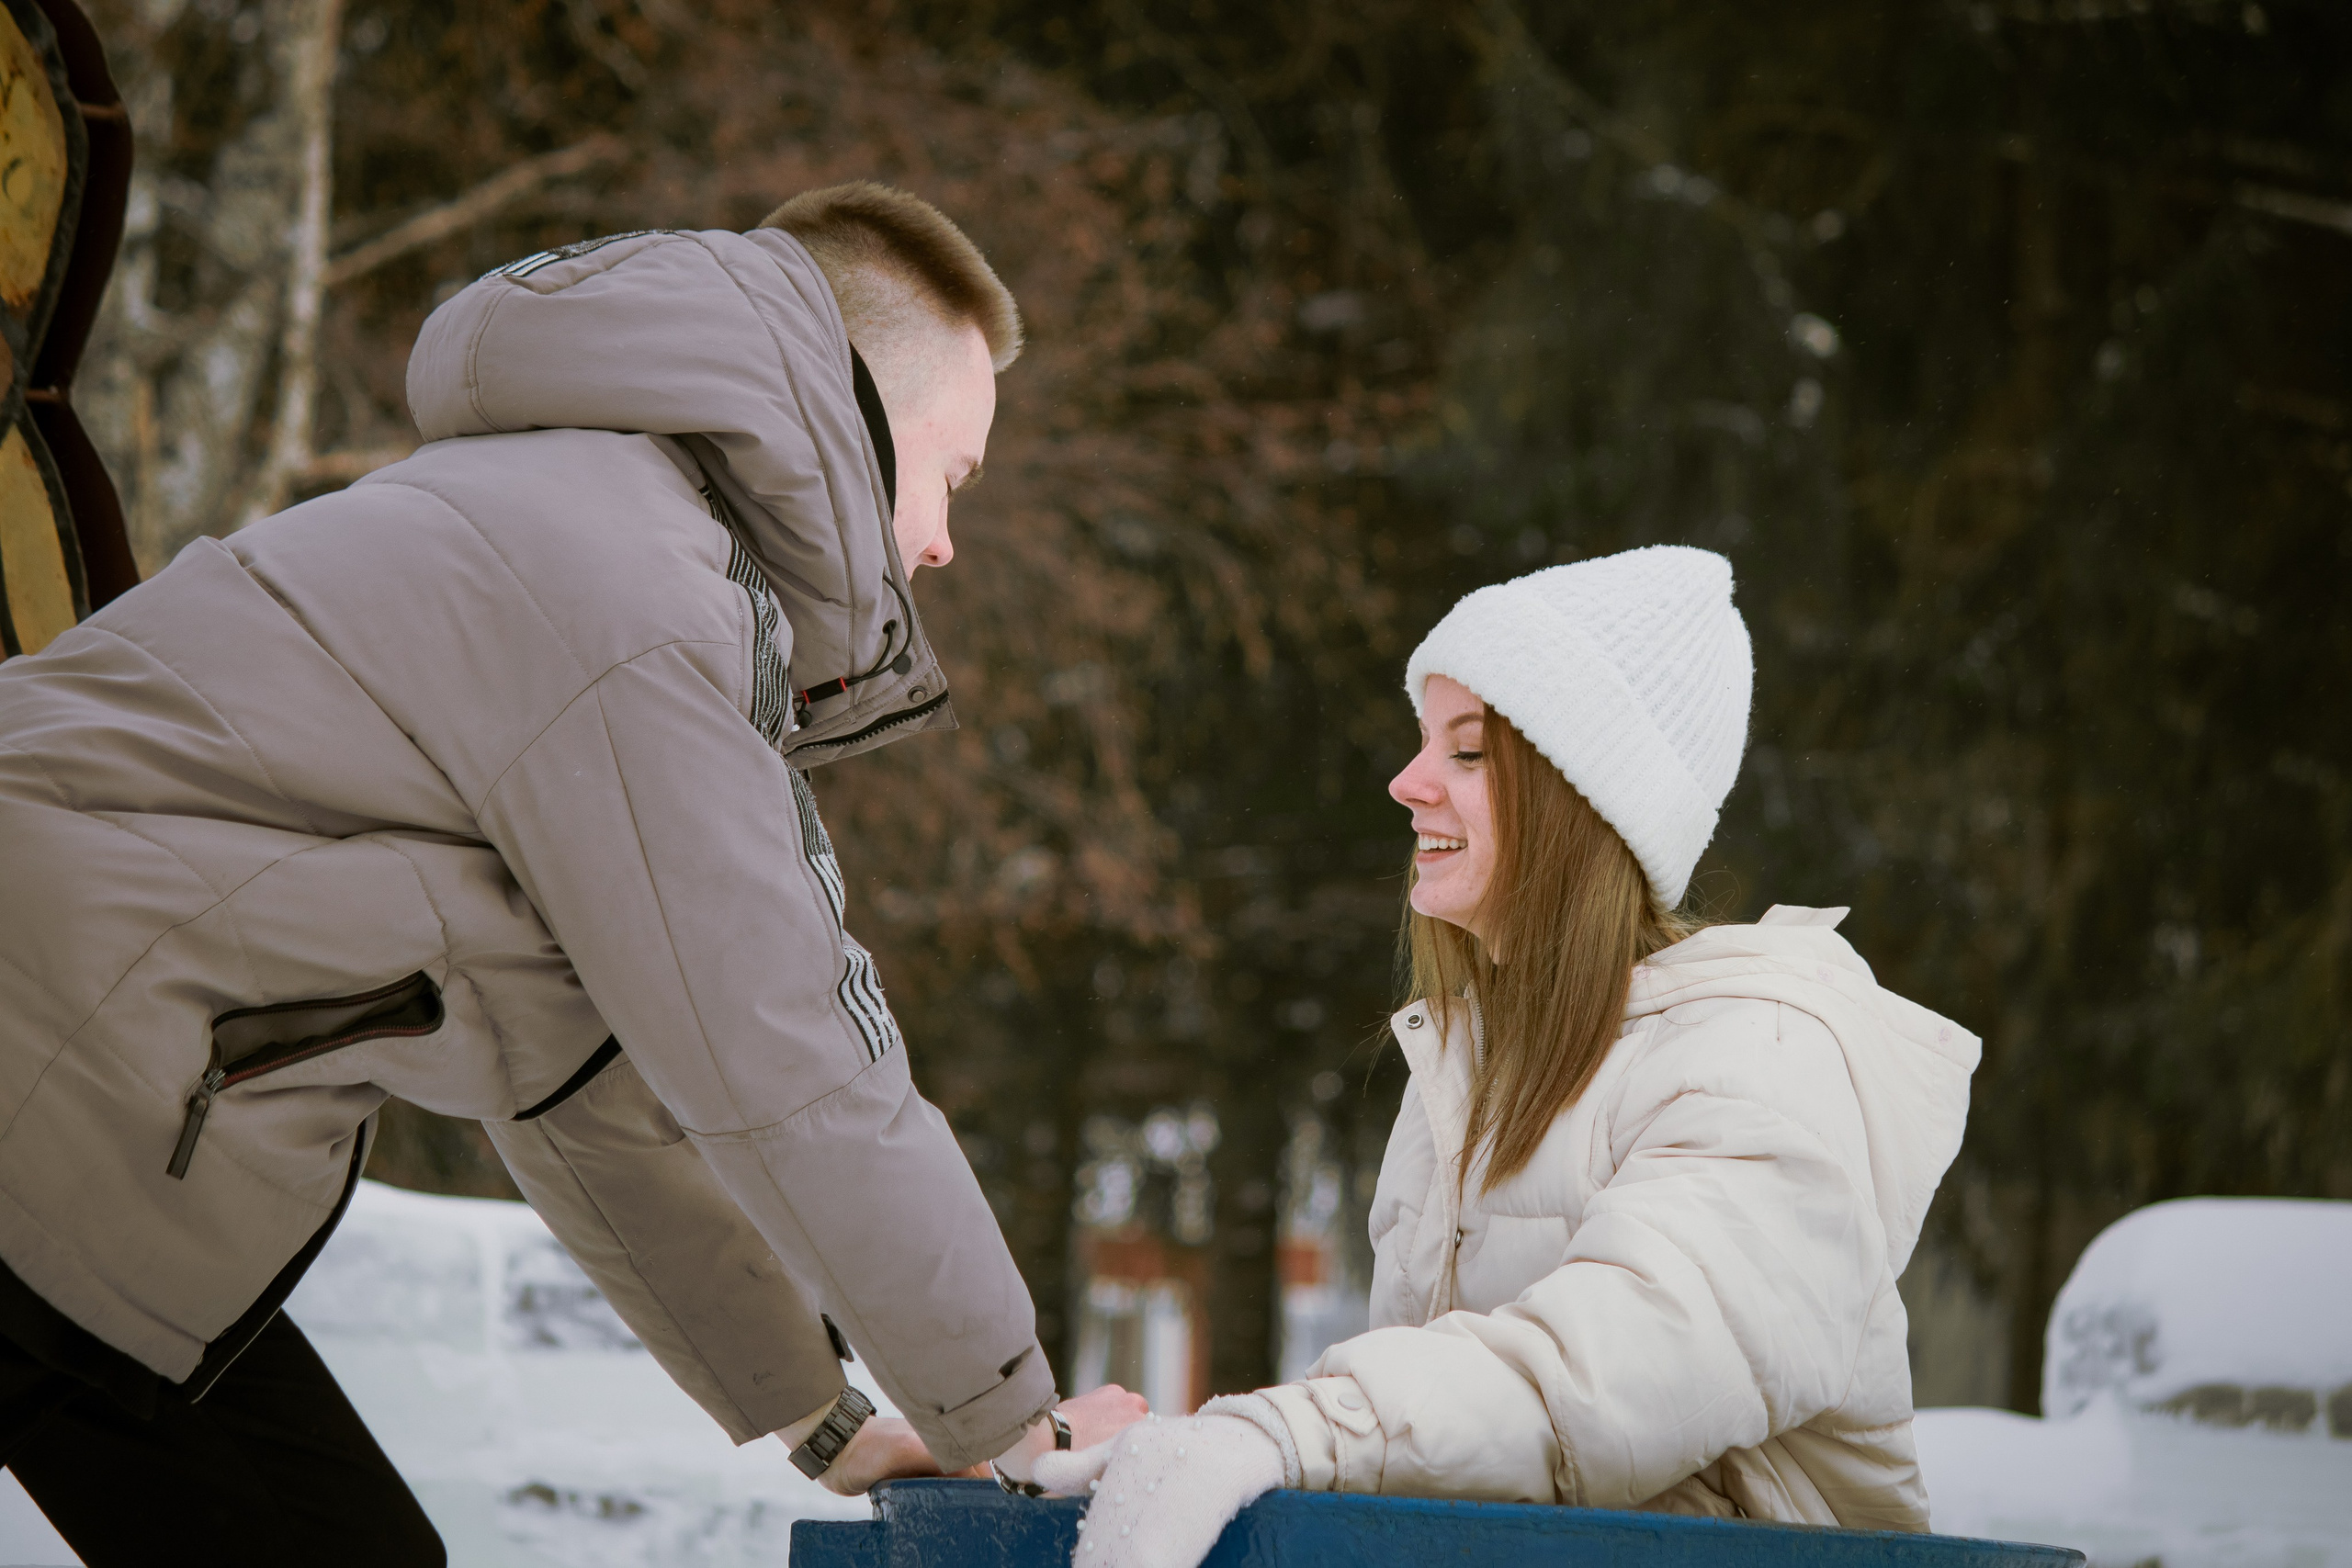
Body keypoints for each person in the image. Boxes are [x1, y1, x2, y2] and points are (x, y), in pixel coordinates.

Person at [0, 183, 1140, 1566]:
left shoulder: (566, 524)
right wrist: (1022, 1425)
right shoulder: (636, 598)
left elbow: (580, 1074)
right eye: (954, 475)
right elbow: (784, 1048)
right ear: (855, 418)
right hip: (51, 1081)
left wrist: (822, 1414)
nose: (946, 543)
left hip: (62, 1095)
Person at [1037, 546, 1982, 1564]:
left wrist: (1289, 1430)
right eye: (1420, 744)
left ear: (1586, 798)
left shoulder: (1766, 1057)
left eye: (1469, 752)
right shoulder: (1464, 1075)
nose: (1406, 785)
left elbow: (1600, 1383)